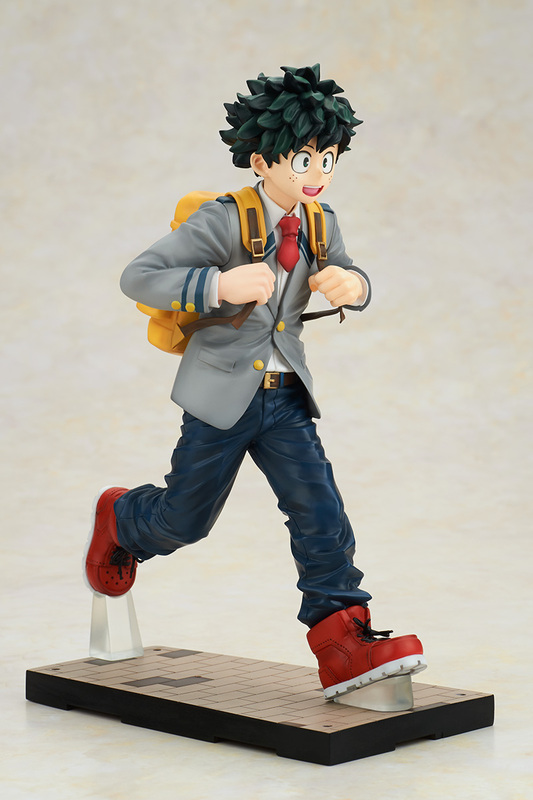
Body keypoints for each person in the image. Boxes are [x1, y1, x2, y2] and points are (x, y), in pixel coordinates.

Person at [85, 64, 426, 699]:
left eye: (328, 159)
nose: (318, 173)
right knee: (185, 519)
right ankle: (123, 518)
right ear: (264, 159)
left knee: (321, 512)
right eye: (304, 159)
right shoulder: (222, 221)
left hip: (287, 395)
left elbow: (348, 269)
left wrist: (355, 285)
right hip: (221, 397)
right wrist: (215, 284)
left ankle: (342, 640)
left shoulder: (320, 222)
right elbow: (139, 276)